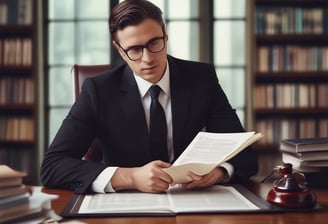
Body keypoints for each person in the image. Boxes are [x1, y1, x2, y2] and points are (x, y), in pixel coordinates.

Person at [40, 0, 258, 194]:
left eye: (154, 43)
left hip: (191, 202)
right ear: (119, 49)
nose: (147, 58)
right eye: (134, 49)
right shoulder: (98, 90)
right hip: (125, 205)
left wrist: (220, 172)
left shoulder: (201, 78)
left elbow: (245, 155)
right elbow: (52, 166)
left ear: (165, 33)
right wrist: (131, 177)